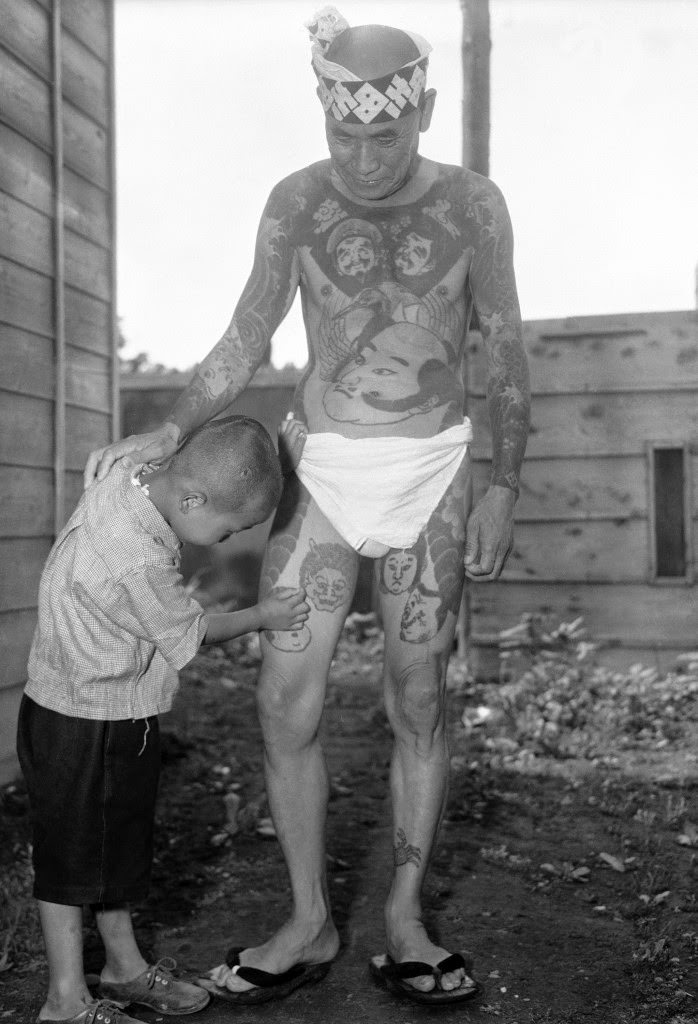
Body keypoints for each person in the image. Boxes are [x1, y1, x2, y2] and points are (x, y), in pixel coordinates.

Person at [84, 5, 530, 1006]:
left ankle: (405, 919)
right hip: (321, 469)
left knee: (416, 697)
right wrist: (174, 425)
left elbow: (499, 345)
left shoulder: (472, 204)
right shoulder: (294, 202)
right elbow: (246, 334)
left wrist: (501, 481)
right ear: (322, 116)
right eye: (344, 132)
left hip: (435, 474)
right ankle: (307, 919)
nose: (364, 156)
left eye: (385, 131)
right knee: (283, 699)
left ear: (421, 110)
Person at [19, 415, 309, 1024]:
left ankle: (122, 968)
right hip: (87, 718)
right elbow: (193, 634)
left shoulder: (132, 476)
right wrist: (264, 616)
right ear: (192, 499)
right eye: (231, 527)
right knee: (71, 861)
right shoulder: (137, 559)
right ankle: (64, 1001)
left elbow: (182, 459)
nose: (228, 540)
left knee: (109, 848)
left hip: (106, 706)